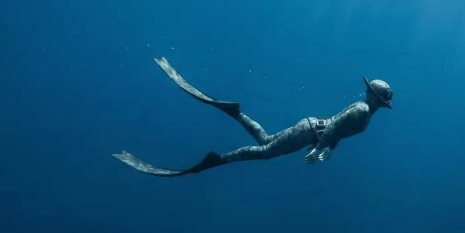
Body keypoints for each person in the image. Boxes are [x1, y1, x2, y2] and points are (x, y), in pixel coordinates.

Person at [113, 57, 393, 177]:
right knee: (266, 152)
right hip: (311, 132)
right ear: (375, 98)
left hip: (310, 129)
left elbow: (338, 128)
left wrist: (328, 149)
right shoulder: (362, 111)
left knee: (266, 141)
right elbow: (335, 126)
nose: (376, 101)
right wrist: (320, 147)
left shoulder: (362, 110)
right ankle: (220, 159)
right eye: (377, 97)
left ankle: (235, 113)